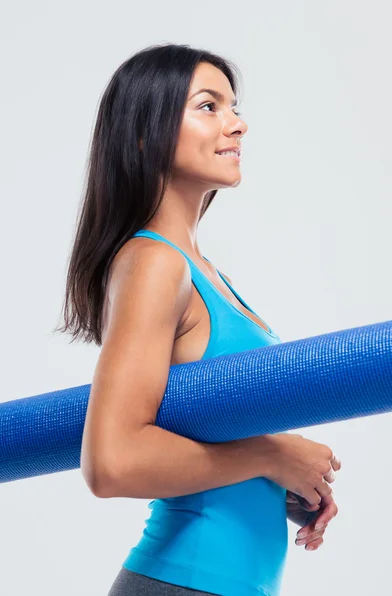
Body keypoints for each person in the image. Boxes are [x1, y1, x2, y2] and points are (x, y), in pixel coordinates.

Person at [54, 43, 341, 596]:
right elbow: (112, 461)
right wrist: (272, 454)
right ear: (145, 135)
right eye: (209, 106)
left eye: (233, 107)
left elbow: (193, 437)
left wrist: (281, 484)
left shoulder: (204, 273)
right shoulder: (155, 263)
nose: (237, 124)